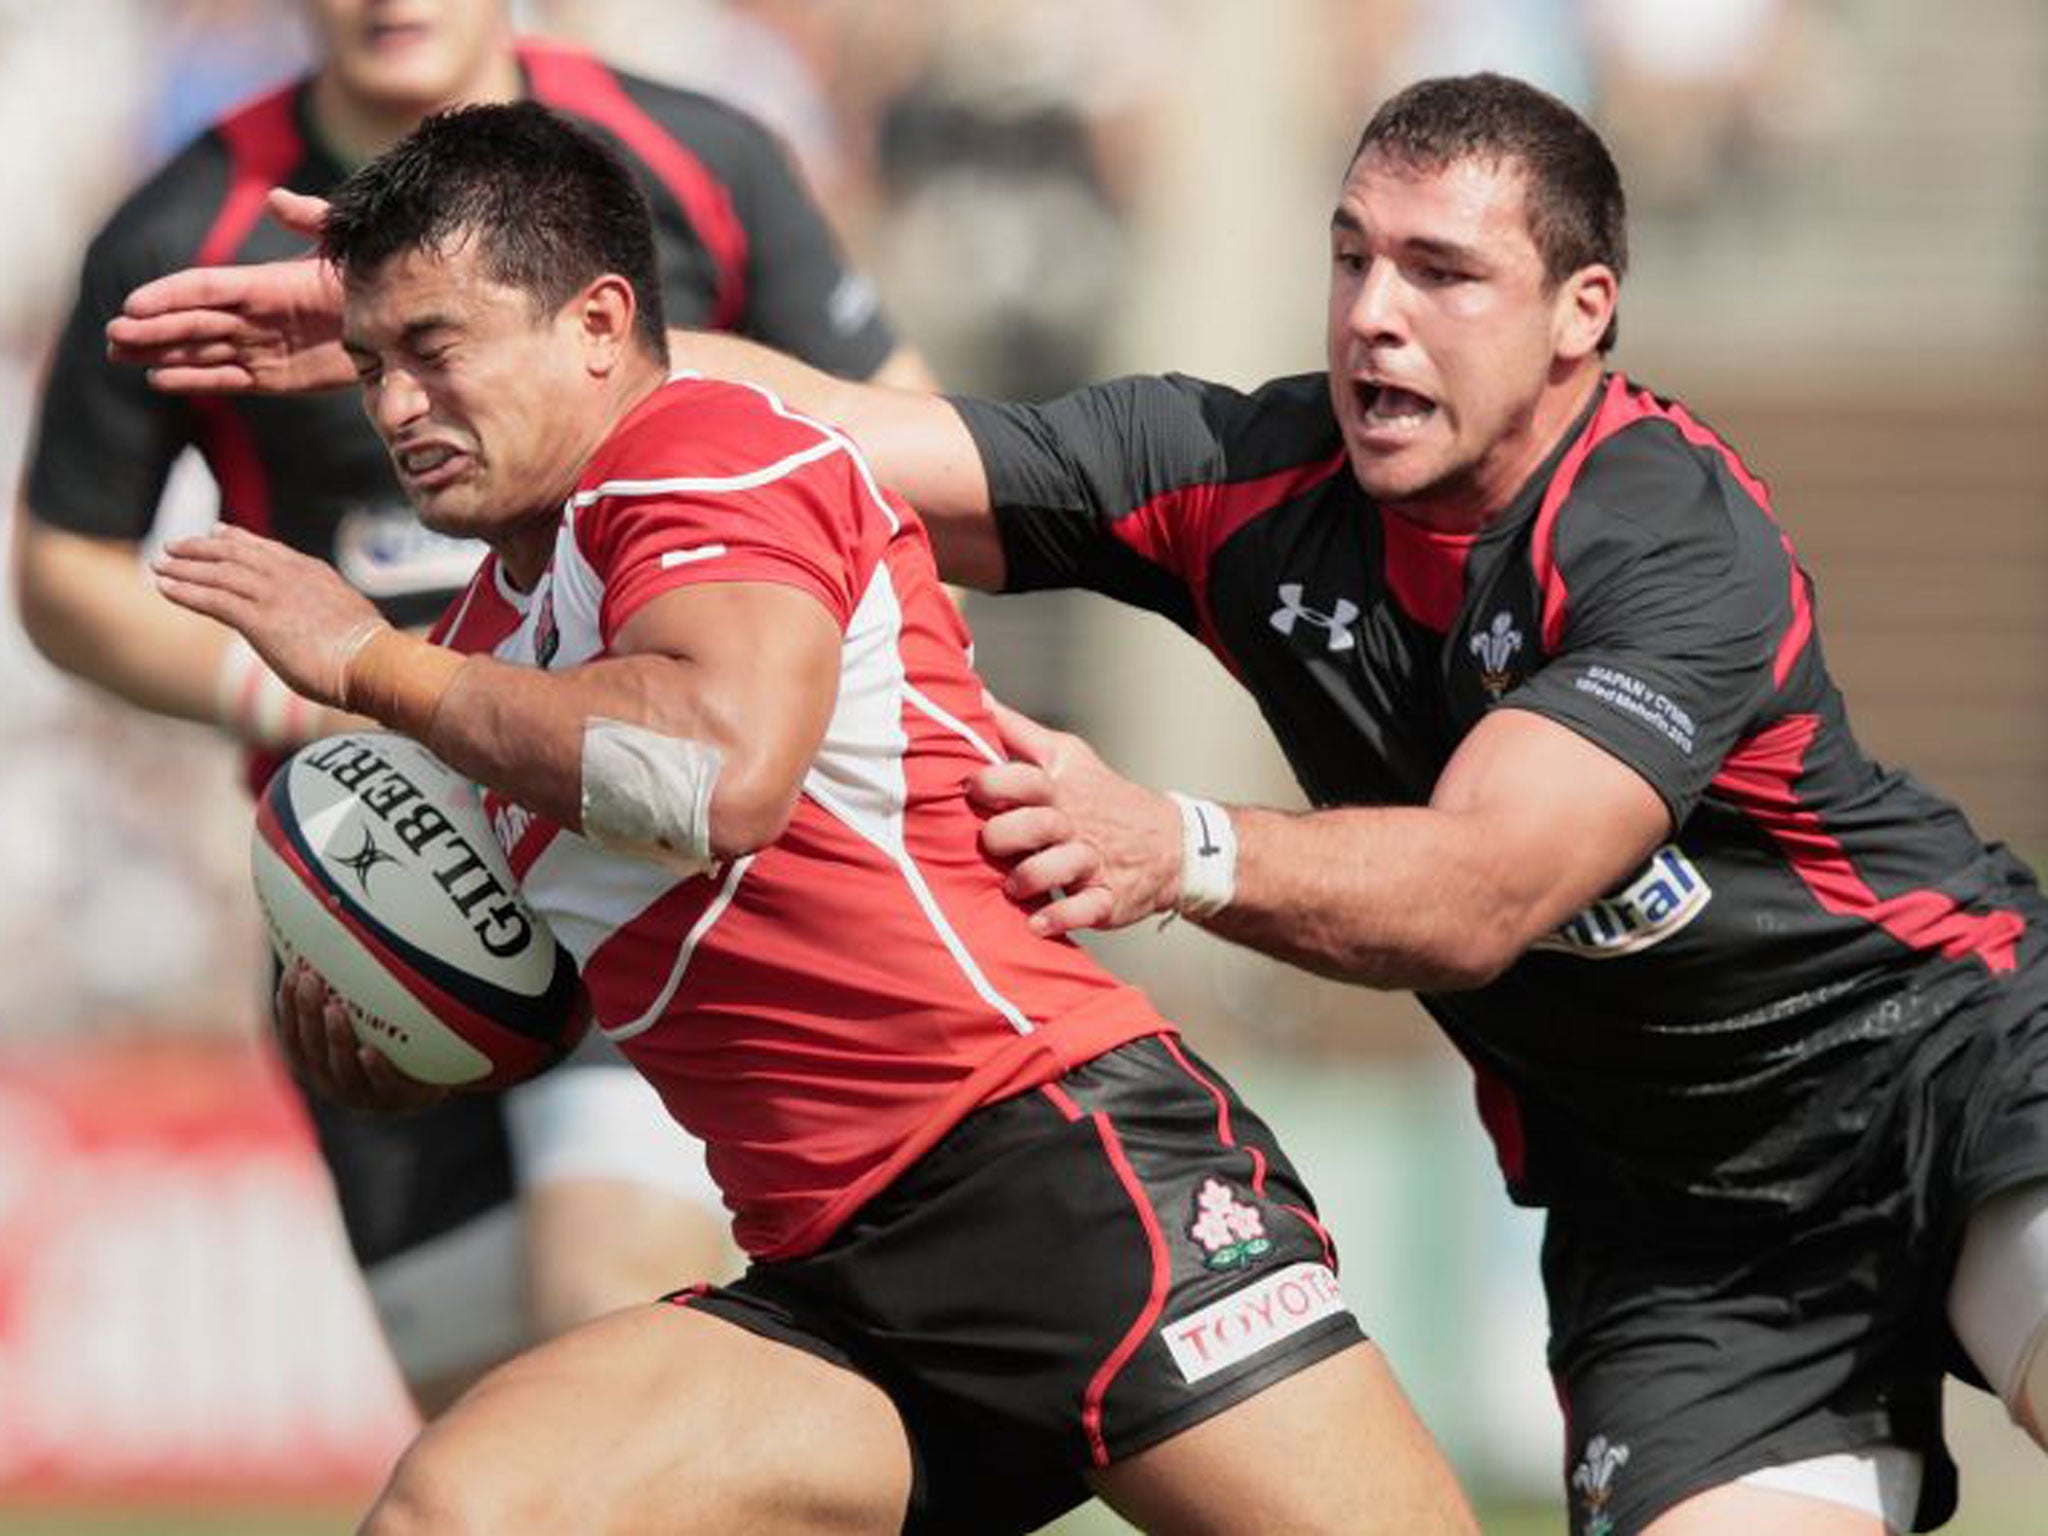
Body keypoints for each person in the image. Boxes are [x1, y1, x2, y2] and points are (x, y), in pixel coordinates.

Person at [96, 70, 2048, 1536]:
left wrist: (1179, 844)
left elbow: (1471, 893)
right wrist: (415, 343)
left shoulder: (1664, 538)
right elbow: (834, 430)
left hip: (1918, 1059)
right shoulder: (1224, 466)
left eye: (1440, 273)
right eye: (1351, 257)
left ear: (1581, 314)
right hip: (1650, 1216)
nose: (1372, 312)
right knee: (471, 1504)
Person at [149, 100, 1478, 1536]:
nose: (397, 407)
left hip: (1051, 1172)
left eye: (435, 349)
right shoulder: (486, 644)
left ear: (599, 324)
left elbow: (712, 778)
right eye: (370, 367)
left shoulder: (699, 455)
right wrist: (407, 1048)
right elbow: (547, 977)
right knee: (465, 1511)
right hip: (835, 1272)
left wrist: (365, 663)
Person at [16, 0, 931, 1413]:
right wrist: (324, 704)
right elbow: (63, 566)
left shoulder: (692, 163)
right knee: (486, 1431)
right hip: (374, 882)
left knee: (603, 1343)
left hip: (640, 857)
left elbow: (907, 443)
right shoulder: (180, 226)